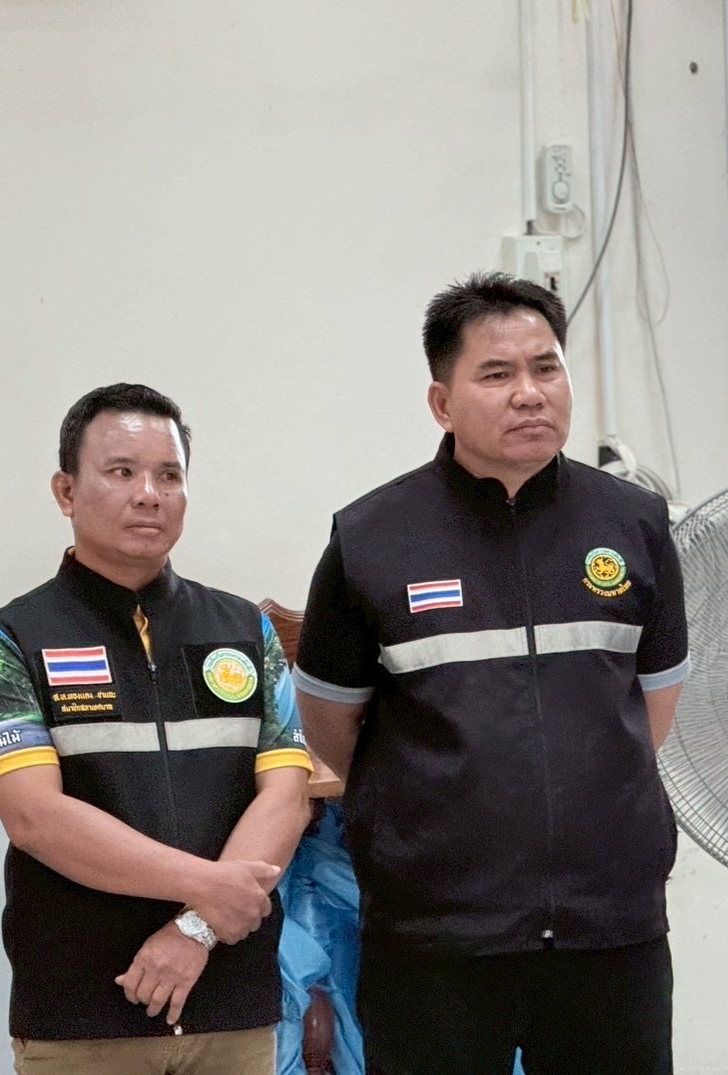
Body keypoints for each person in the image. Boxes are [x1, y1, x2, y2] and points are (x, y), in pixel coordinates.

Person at [294, 273, 689, 1075]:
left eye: (546, 368)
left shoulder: (634, 524)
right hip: (434, 938)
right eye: (497, 374)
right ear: (441, 402)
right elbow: (331, 727)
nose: (528, 393)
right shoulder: (371, 539)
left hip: (607, 930)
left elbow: (651, 709)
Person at [0, 383, 314, 1075]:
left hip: (232, 1008)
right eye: (121, 472)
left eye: (169, 475)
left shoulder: (246, 630)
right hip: (85, 1012)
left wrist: (196, 928)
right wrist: (211, 889)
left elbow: (287, 796)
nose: (148, 494)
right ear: (66, 491)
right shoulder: (10, 639)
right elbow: (34, 817)